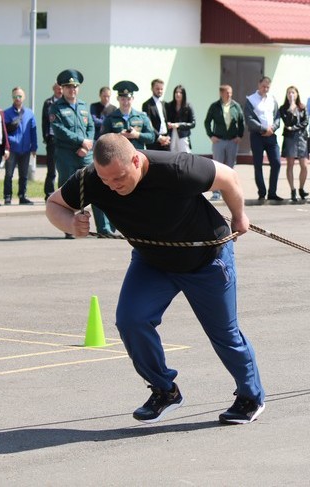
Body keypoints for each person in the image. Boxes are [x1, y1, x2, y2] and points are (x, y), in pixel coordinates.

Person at [45, 132, 265, 425]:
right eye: (106, 180)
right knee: (130, 320)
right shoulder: (92, 180)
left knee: (224, 334)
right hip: (153, 261)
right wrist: (71, 223)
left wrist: (239, 217)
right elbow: (54, 204)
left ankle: (251, 396)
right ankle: (164, 390)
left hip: (206, 260)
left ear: (136, 159)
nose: (112, 186)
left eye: (119, 178)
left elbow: (229, 178)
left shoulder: (177, 169)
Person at [50, 69, 114, 237]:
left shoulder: (84, 105)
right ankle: (70, 228)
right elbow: (59, 130)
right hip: (66, 155)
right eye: (69, 87)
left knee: (97, 187)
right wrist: (80, 142)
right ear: (62, 89)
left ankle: (104, 228)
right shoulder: (56, 108)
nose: (73, 90)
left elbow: (91, 126)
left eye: (75, 87)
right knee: (67, 191)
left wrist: (87, 144)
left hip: (85, 153)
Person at [245, 76, 283, 201]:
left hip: (271, 136)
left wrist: (273, 128)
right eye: (263, 86)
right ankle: (262, 192)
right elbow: (249, 119)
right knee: (258, 164)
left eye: (267, 87)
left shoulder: (272, 99)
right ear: (258, 85)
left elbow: (277, 116)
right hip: (257, 136)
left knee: (276, 163)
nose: (265, 89)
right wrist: (263, 129)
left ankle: (272, 192)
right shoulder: (251, 100)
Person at [204, 84, 244, 201]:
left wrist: (239, 136)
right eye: (227, 92)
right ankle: (216, 193)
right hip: (219, 141)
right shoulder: (215, 106)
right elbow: (207, 122)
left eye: (230, 92)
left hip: (232, 141)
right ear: (221, 93)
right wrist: (211, 136)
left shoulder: (236, 106)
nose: (229, 95)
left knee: (230, 167)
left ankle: (228, 191)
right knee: (217, 167)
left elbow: (241, 122)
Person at [3, 86, 38, 205]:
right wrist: (6, 147)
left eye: (19, 96)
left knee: (23, 175)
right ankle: (7, 197)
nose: (17, 98)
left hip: (26, 149)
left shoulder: (29, 113)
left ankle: (22, 196)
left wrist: (34, 147)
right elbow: (4, 132)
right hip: (12, 149)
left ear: (24, 97)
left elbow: (33, 130)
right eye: (15, 96)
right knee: (9, 174)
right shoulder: (6, 113)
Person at [101, 81, 155, 150]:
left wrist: (136, 135)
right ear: (118, 99)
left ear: (133, 99)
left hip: (137, 155)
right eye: (123, 99)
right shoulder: (110, 118)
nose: (126, 102)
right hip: (118, 156)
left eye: (128, 99)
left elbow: (151, 137)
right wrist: (118, 136)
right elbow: (103, 139)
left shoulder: (141, 117)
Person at [279, 85, 309, 202]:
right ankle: (292, 190)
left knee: (304, 165)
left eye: (293, 93)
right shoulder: (283, 108)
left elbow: (305, 121)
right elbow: (287, 122)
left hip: (301, 138)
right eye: (289, 93)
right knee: (290, 164)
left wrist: (295, 127)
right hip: (290, 138)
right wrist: (291, 109)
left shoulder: (302, 107)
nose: (291, 95)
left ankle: (301, 188)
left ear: (297, 94)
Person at [41, 82, 62, 200]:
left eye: (61, 89)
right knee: (51, 169)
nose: (59, 91)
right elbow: (44, 121)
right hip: (52, 139)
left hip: (63, 140)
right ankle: (49, 193)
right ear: (53, 89)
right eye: (57, 89)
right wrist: (46, 137)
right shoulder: (48, 102)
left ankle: (61, 194)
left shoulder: (65, 103)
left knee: (62, 168)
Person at [166, 84, 196, 153]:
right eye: (176, 92)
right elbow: (166, 119)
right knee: (172, 154)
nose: (178, 94)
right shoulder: (169, 105)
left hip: (183, 135)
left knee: (185, 155)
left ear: (183, 94)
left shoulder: (188, 106)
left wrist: (179, 125)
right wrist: (168, 124)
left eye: (180, 92)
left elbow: (193, 123)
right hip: (171, 134)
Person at [142, 79, 171, 151]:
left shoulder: (165, 104)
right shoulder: (147, 105)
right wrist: (159, 137)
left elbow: (168, 121)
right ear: (152, 89)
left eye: (161, 89)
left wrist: (168, 137)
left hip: (166, 140)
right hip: (154, 141)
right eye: (157, 89)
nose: (160, 91)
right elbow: (148, 124)